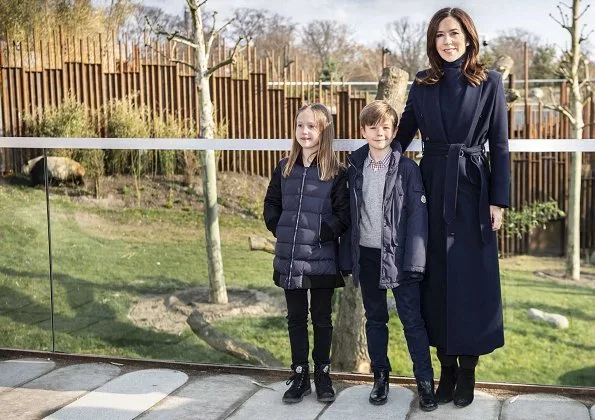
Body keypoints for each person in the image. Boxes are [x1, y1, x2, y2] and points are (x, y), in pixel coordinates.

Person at [395, 7, 510, 408]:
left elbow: (500, 143)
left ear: (468, 37)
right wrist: (369, 160)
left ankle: (469, 371)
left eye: (454, 33)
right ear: (433, 41)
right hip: (431, 188)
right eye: (440, 34)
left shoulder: (491, 82)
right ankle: (445, 367)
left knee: (472, 282)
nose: (447, 40)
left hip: (474, 191)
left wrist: (499, 200)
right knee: (436, 280)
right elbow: (402, 134)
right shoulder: (422, 84)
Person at [345, 100, 437, 411]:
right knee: (375, 319)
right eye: (373, 127)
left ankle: (425, 383)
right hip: (368, 255)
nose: (379, 132)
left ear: (395, 131)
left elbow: (418, 218)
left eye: (386, 127)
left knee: (413, 321)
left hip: (400, 257)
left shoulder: (408, 170)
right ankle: (380, 378)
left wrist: (416, 260)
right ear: (363, 131)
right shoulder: (355, 167)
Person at [263, 103, 350, 404]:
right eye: (300, 125)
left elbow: (343, 215)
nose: (304, 131)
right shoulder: (284, 168)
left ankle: (322, 375)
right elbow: (271, 204)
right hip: (289, 258)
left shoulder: (337, 173)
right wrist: (280, 228)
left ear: (324, 131)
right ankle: (300, 375)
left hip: (321, 259)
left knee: (322, 318)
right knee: (296, 318)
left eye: (311, 126)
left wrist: (319, 235)